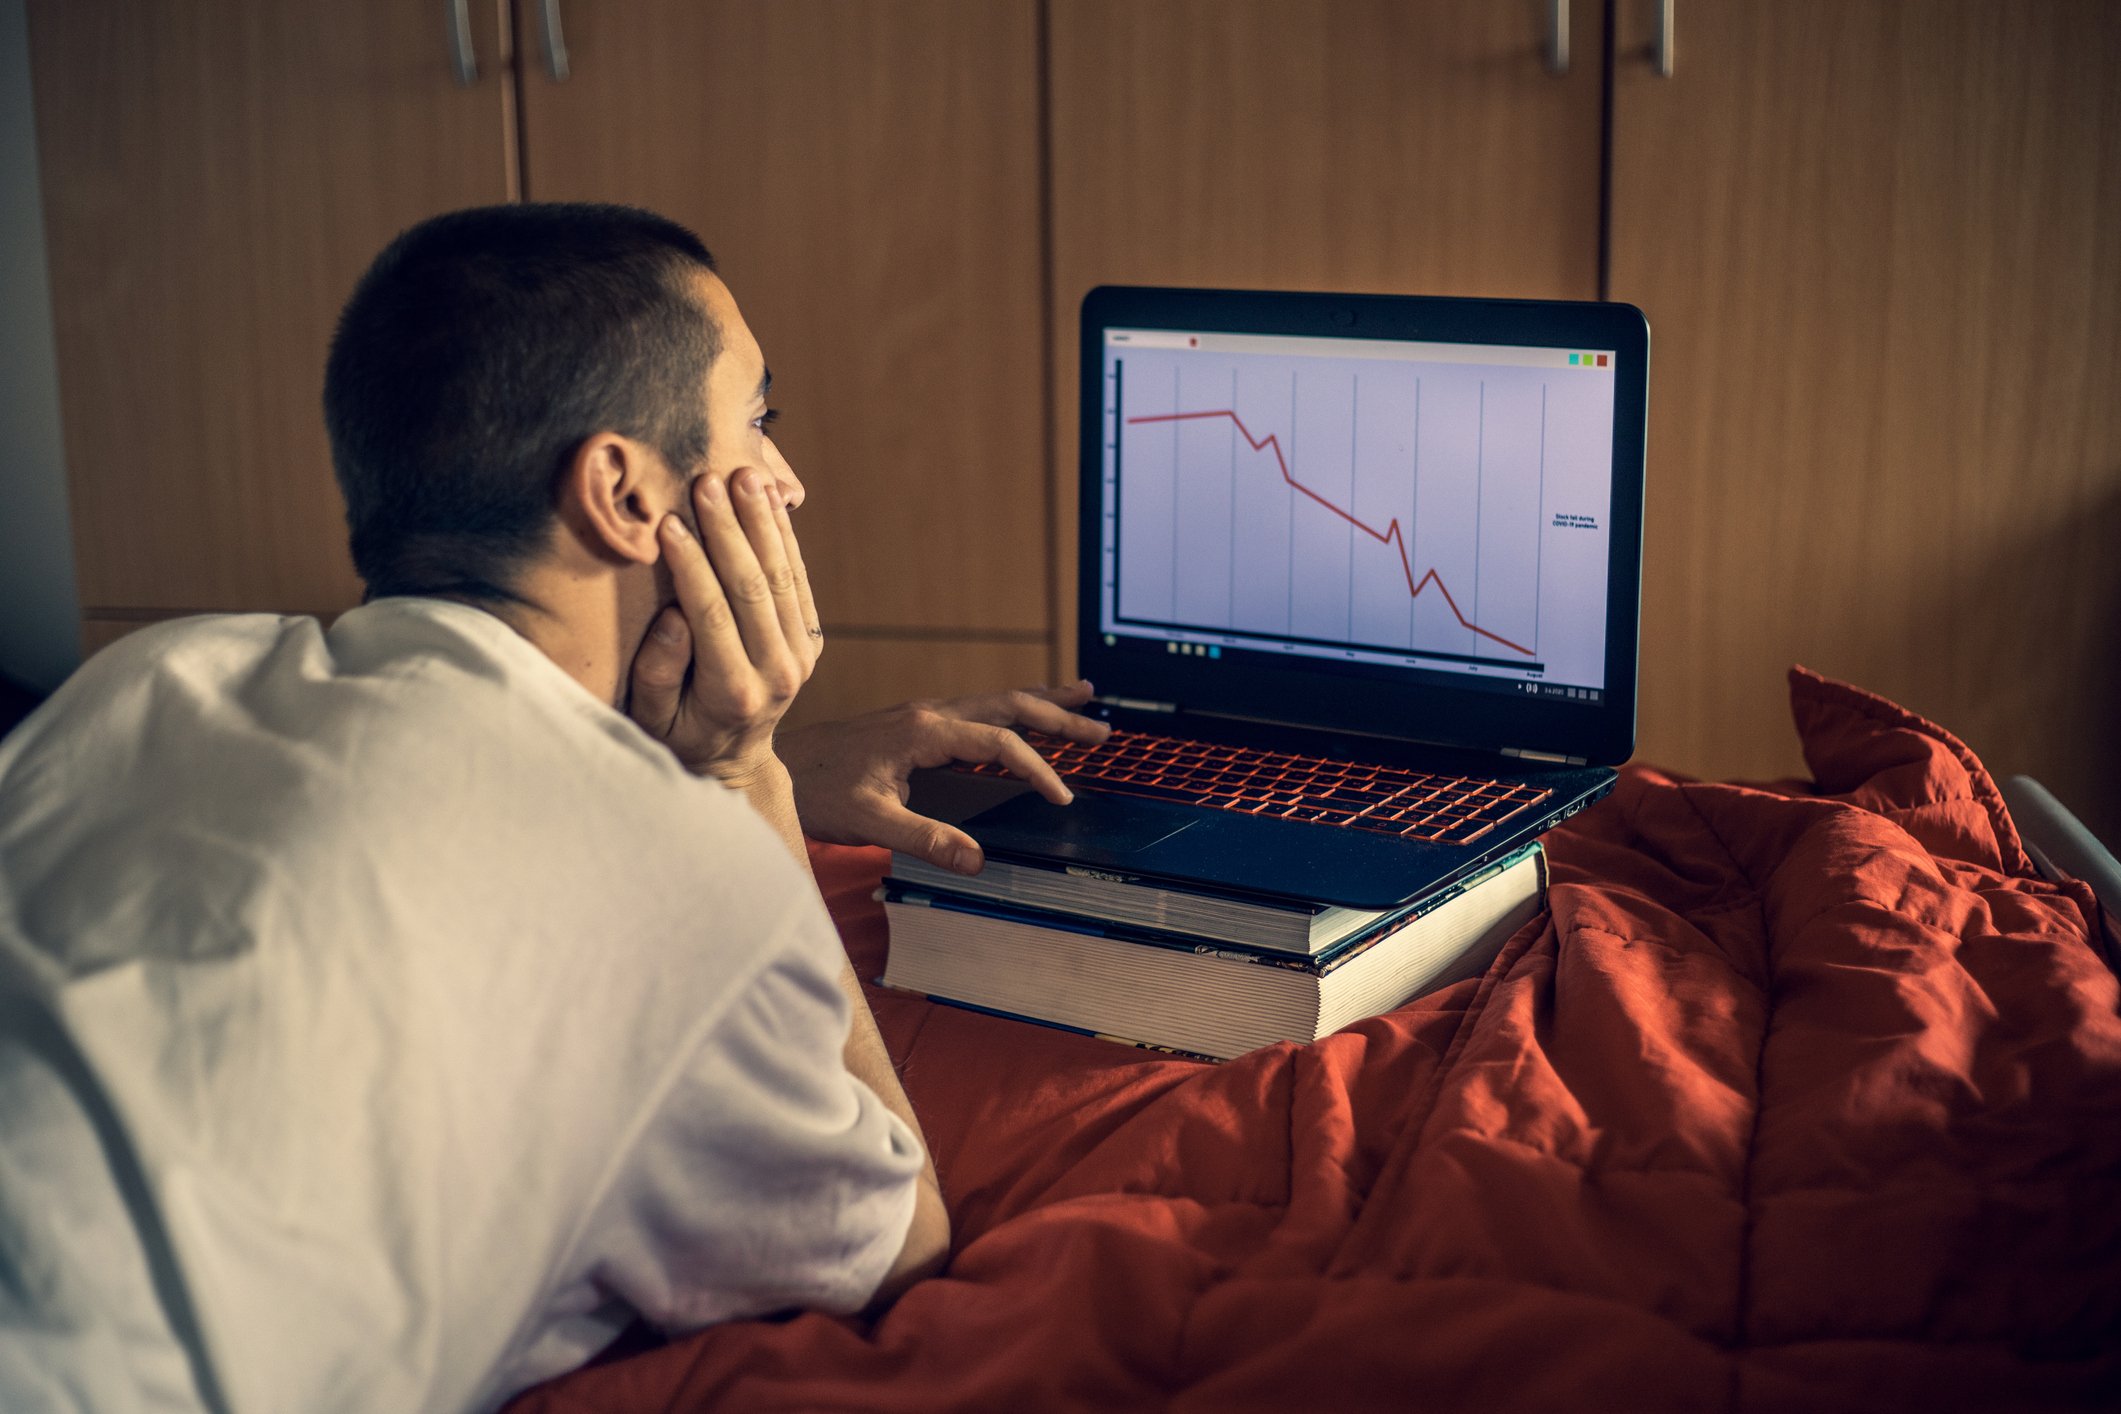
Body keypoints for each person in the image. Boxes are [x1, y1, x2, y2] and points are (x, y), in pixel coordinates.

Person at [0, 203, 1108, 1413]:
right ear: (623, 494)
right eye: (759, 420)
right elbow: (897, 1244)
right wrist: (748, 780)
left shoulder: (148, 678)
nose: (786, 480)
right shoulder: (673, 866)